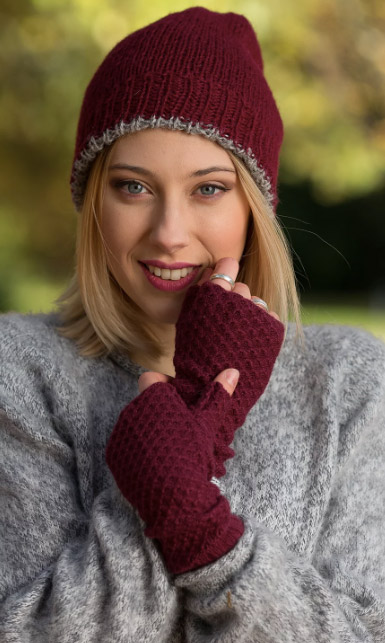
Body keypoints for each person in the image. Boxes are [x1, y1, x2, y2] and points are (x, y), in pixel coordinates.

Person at [1, 7, 384, 642]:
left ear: (253, 208)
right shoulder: (20, 371)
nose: (169, 234)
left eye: (208, 189)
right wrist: (190, 420)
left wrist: (202, 535)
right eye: (133, 187)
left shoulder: (349, 385)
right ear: (93, 201)